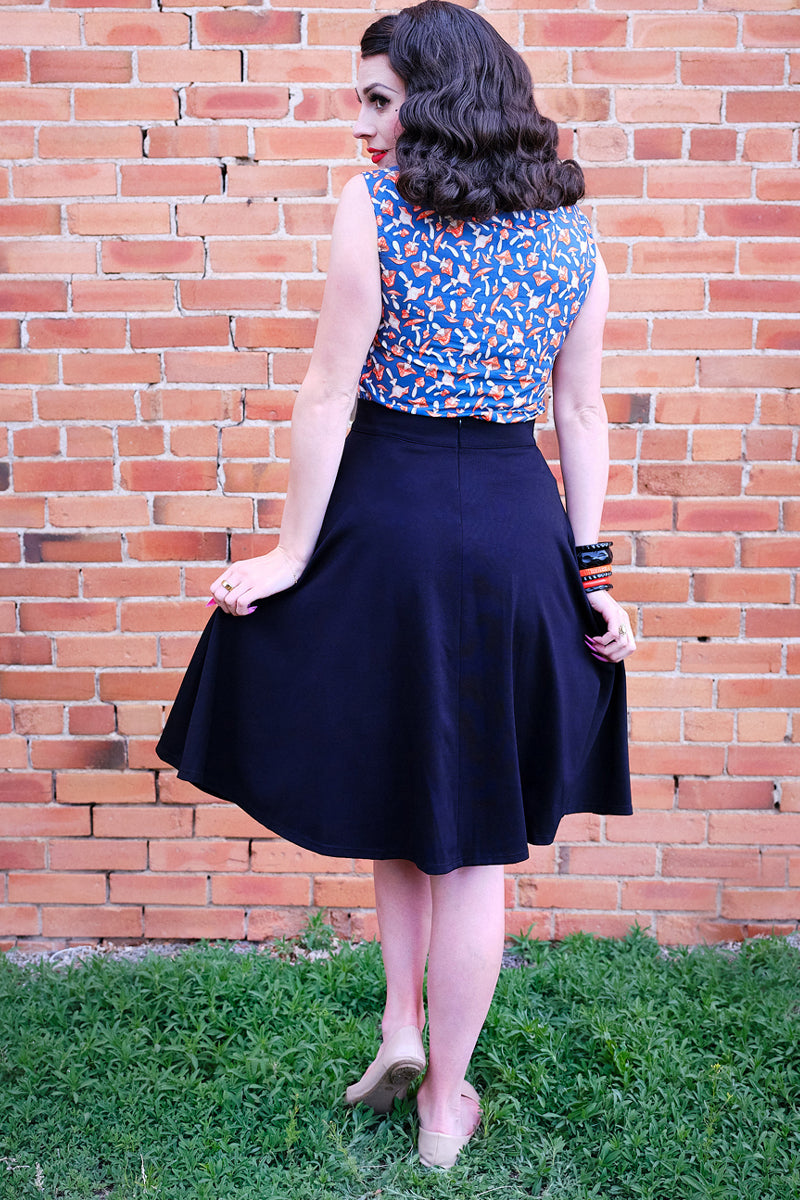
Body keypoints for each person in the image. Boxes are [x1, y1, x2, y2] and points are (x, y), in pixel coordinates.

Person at [157, 0, 635, 1170]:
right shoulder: (569, 229)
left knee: (401, 788)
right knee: (464, 834)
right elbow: (577, 415)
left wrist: (285, 555)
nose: (360, 123)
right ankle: (436, 1087)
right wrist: (589, 573)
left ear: (436, 96)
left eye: (377, 98)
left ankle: (407, 1037)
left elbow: (328, 394)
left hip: (390, 515)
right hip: (514, 529)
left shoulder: (373, 210)